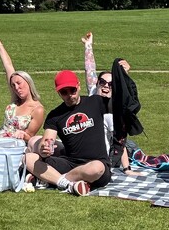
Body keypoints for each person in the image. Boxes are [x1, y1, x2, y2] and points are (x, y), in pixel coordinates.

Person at [24, 70, 113, 195]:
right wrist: (44, 149)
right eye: (64, 92)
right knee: (28, 158)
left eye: (72, 90)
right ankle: (69, 184)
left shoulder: (96, 102)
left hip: (97, 162)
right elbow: (47, 141)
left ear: (79, 86)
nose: (69, 95)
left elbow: (126, 104)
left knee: (96, 168)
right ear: (58, 92)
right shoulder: (55, 116)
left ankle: (51, 180)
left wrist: (123, 75)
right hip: (71, 163)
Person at [82, 31, 133, 171]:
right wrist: (88, 46)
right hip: (91, 150)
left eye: (110, 85)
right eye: (102, 82)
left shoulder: (114, 110)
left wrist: (127, 169)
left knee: (130, 147)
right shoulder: (93, 93)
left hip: (111, 153)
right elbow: (90, 70)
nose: (105, 86)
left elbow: (120, 140)